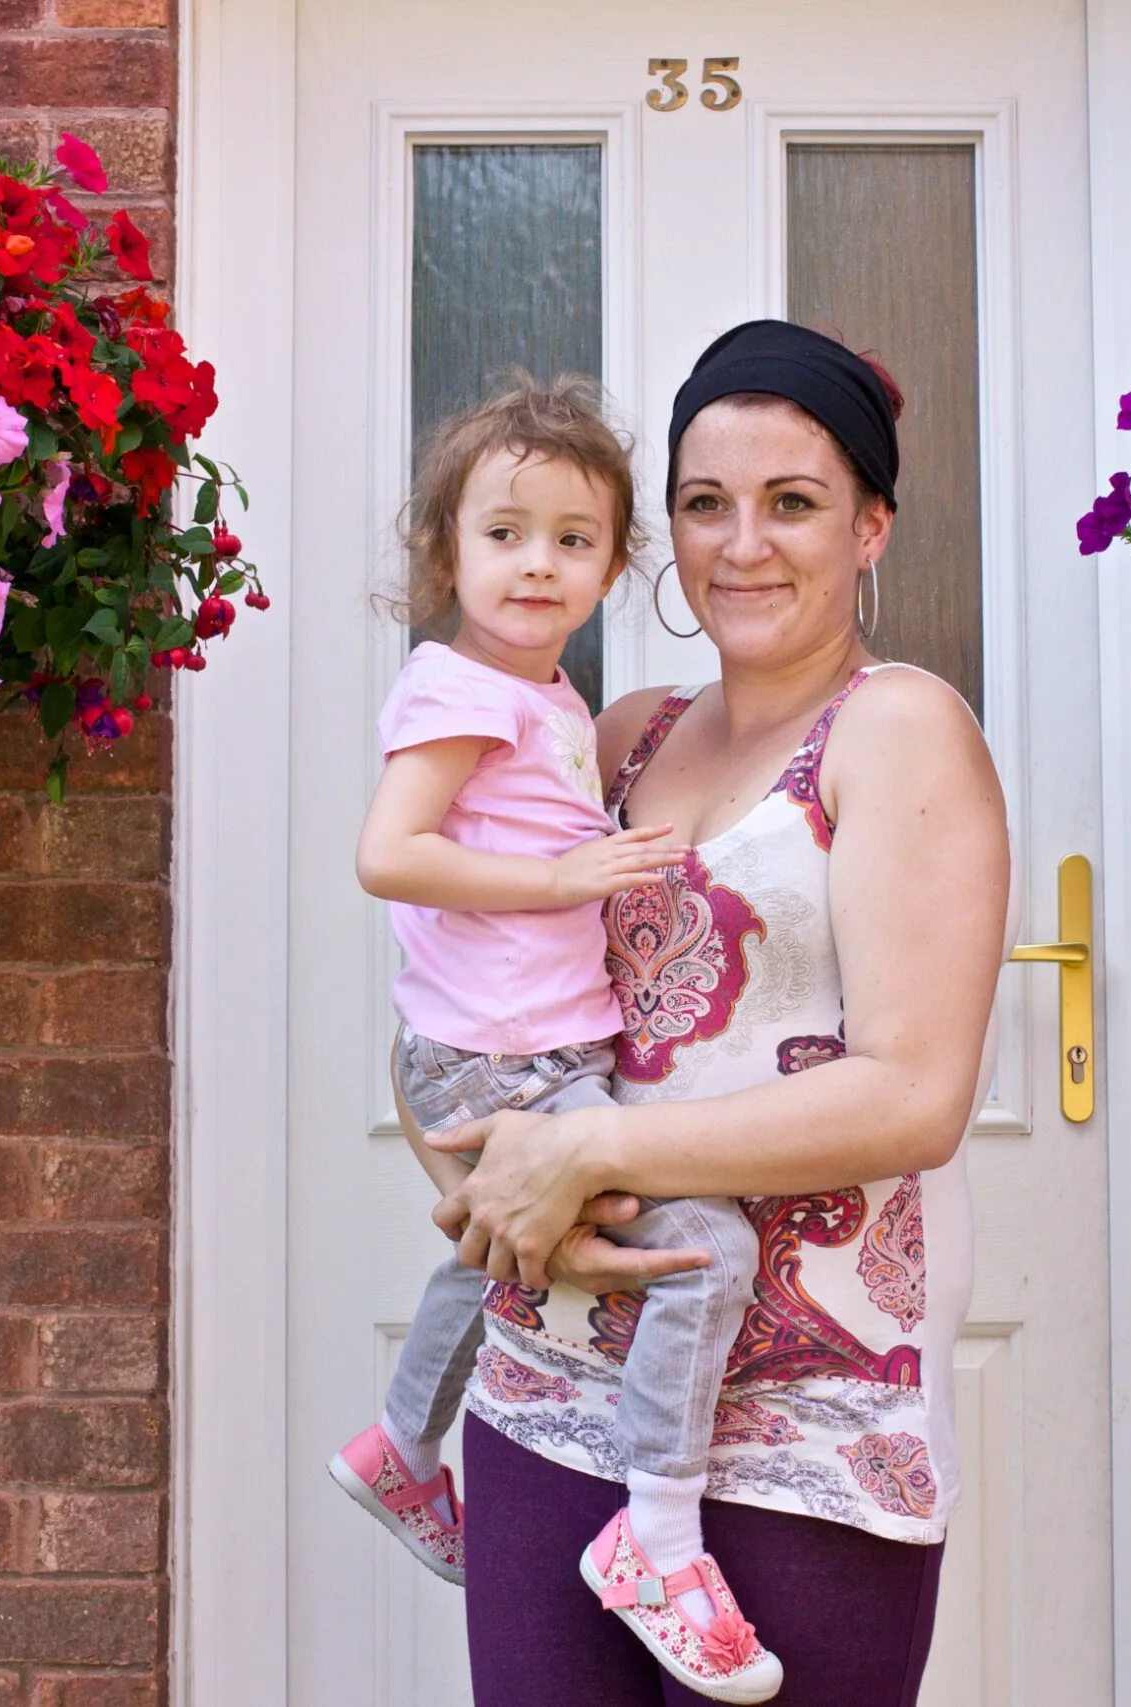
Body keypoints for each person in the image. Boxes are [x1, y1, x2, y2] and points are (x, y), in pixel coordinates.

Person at [427, 321, 1012, 1707]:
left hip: (806, 1410)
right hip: (558, 1375)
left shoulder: (900, 730)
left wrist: (588, 1156)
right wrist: (474, 1167)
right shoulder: (620, 732)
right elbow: (472, 986)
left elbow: (913, 1095)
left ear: (871, 524)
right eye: (705, 503)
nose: (742, 543)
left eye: (793, 502)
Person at [327, 376, 786, 1702]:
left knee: (499, 1255)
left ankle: (403, 1444)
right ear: (446, 549)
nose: (539, 562)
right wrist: (574, 879)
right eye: (505, 532)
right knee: (711, 1253)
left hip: (519, 1053)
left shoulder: (546, 698)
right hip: (506, 1059)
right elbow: (388, 854)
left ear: (613, 562)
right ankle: (656, 1536)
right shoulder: (463, 690)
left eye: (574, 538)